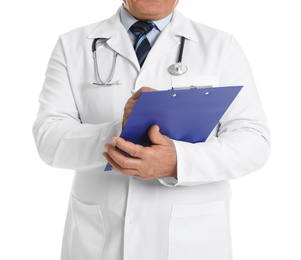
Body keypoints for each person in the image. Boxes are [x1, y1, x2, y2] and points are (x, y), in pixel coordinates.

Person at [33, 0, 271, 259]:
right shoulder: (73, 46)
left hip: (190, 241)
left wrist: (177, 162)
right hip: (101, 241)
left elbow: (254, 141)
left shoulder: (221, 46)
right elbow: (48, 136)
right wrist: (119, 131)